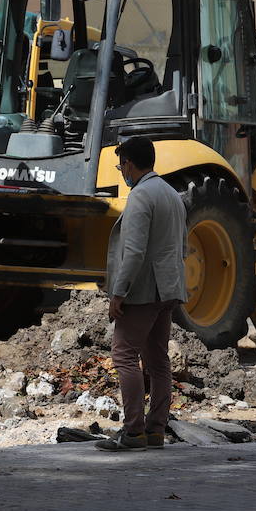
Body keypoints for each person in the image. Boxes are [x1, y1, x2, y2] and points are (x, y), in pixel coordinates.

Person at [98, 136, 188, 452]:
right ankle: (155, 430)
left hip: (144, 291)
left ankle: (133, 431)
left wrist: (118, 294)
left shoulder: (141, 196)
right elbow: (183, 246)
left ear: (129, 164)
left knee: (124, 355)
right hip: (169, 288)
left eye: (121, 164)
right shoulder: (172, 195)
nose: (121, 170)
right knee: (158, 360)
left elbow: (133, 252)